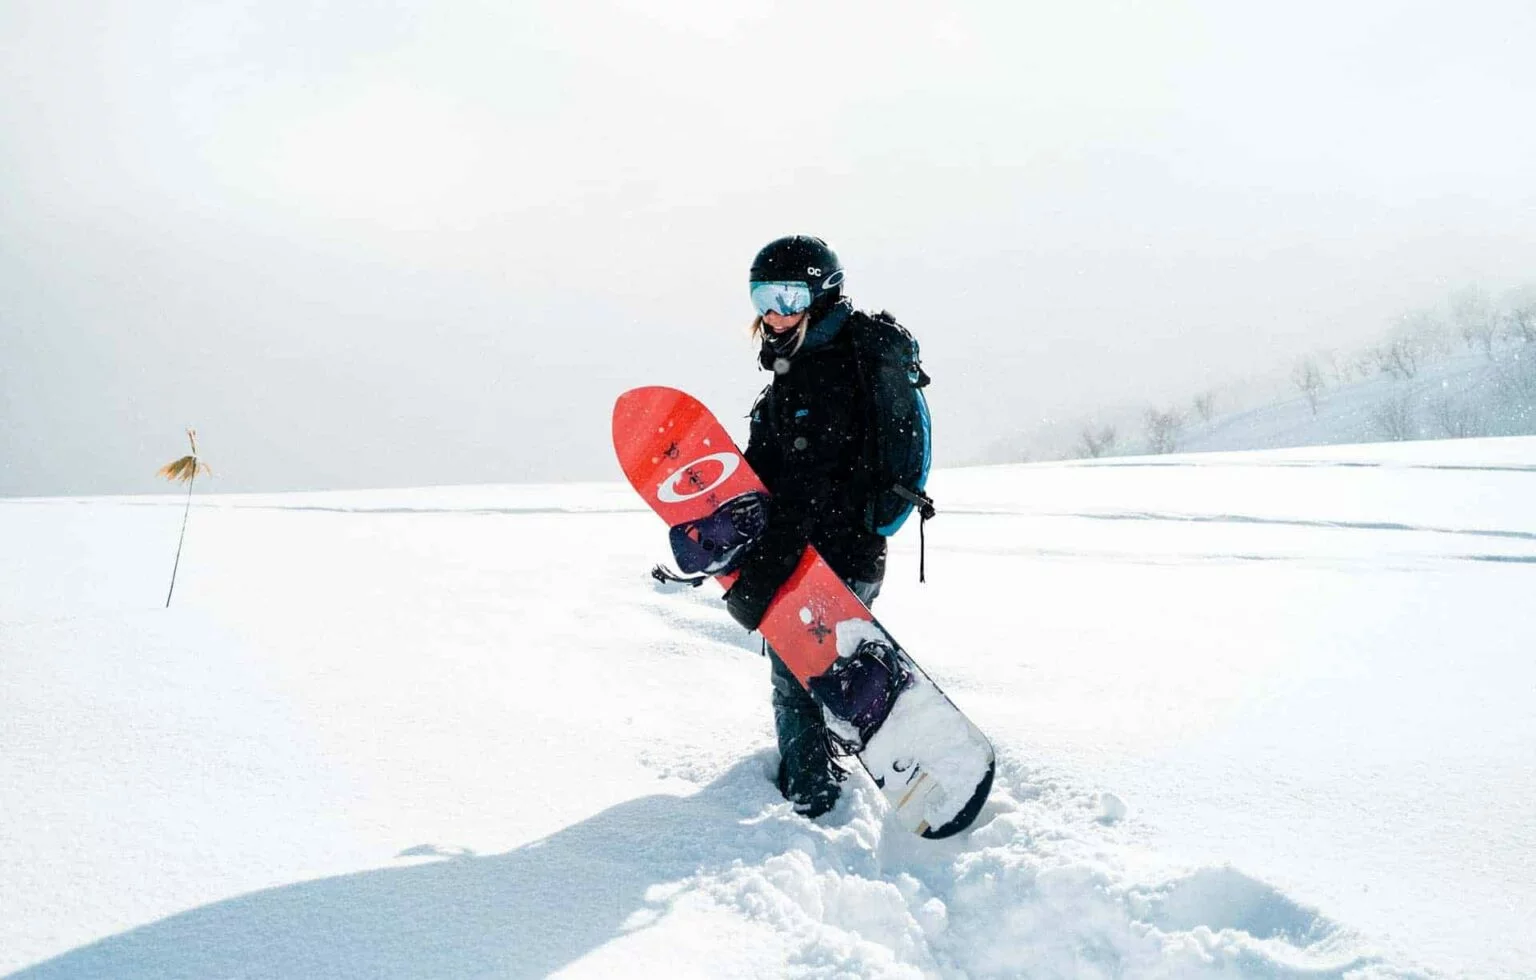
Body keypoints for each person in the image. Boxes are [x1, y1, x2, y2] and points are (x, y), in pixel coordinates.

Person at [722, 235, 931, 819]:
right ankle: (831, 758)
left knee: (796, 679)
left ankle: (812, 803)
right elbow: (781, 472)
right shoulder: (806, 363)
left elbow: (809, 492)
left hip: (829, 556)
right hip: (840, 554)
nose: (773, 311)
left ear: (822, 294)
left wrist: (762, 577)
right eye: (762, 295)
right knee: (824, 669)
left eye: (789, 295)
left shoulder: (827, 373)